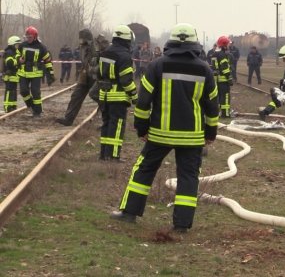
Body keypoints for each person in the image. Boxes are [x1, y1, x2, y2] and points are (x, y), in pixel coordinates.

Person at [110, 23, 219, 232]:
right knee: (188, 178)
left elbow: (143, 102)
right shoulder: (205, 69)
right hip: (192, 137)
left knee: (144, 170)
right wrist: (210, 134)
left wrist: (142, 128)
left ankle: (129, 213)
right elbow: (212, 107)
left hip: (159, 134)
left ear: (172, 40)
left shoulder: (157, 65)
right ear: (195, 42)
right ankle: (181, 226)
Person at [98, 25, 138, 161]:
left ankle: (104, 154)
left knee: (106, 123)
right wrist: (134, 95)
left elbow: (98, 73)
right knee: (117, 125)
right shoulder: (125, 56)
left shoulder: (105, 52)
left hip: (104, 94)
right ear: (126, 39)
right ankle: (114, 155)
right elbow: (126, 80)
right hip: (118, 96)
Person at [55, 29, 108, 126]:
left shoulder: (96, 46)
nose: (80, 41)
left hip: (96, 76)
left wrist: (97, 69)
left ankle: (106, 120)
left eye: (82, 39)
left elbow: (103, 60)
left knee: (99, 97)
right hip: (85, 75)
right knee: (76, 96)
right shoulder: (82, 48)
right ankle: (68, 118)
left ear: (87, 39)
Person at [17, 26, 55, 117]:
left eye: (30, 37)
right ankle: (31, 106)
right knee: (23, 91)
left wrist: (50, 73)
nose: (28, 39)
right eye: (27, 37)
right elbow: (17, 55)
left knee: (35, 92)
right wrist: (18, 59)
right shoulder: (22, 45)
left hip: (36, 74)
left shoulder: (41, 47)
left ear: (35, 36)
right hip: (23, 73)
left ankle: (37, 112)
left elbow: (47, 61)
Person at [211, 36, 233, 118]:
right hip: (223, 80)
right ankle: (226, 113)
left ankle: (220, 112)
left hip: (217, 79)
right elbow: (225, 68)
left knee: (219, 97)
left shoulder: (215, 53)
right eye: (227, 44)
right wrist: (229, 78)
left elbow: (213, 67)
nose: (228, 46)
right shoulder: (222, 54)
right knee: (226, 96)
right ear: (224, 45)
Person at [2, 36, 22, 113]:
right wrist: (18, 62)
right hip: (9, 76)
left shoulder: (15, 52)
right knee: (9, 91)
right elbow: (9, 63)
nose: (18, 46)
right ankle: (7, 107)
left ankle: (13, 106)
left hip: (14, 76)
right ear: (12, 44)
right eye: (17, 45)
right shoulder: (9, 52)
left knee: (14, 91)